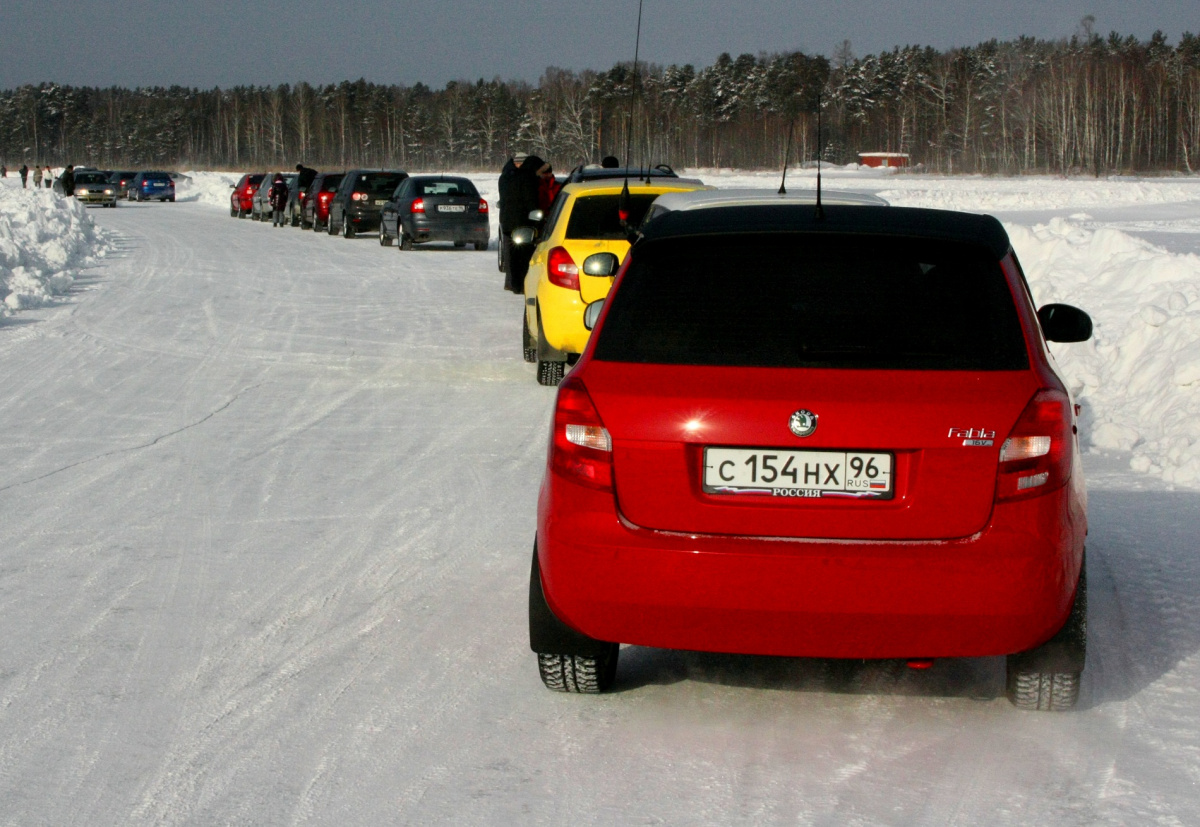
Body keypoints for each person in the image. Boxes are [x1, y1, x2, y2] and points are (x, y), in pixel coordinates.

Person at [500, 154, 543, 293]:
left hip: (508, 222)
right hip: (522, 222)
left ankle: (514, 283)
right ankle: (521, 284)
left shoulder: (506, 176)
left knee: (513, 255)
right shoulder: (527, 179)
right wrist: (537, 218)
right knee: (524, 255)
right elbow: (530, 202)